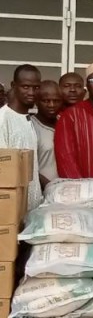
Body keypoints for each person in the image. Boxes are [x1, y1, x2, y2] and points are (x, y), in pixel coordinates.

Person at [0, 65, 42, 210]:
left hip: (32, 208)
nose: (31, 92)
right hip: (12, 208)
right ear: (14, 86)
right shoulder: (3, 119)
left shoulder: (27, 119)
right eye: (25, 86)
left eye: (36, 87)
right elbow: (3, 168)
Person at [31, 80, 62, 188]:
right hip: (42, 191)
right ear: (36, 102)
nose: (51, 105)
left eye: (56, 101)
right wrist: (49, 186)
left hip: (67, 190)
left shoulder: (65, 123)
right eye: (46, 101)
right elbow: (27, 165)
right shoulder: (31, 126)